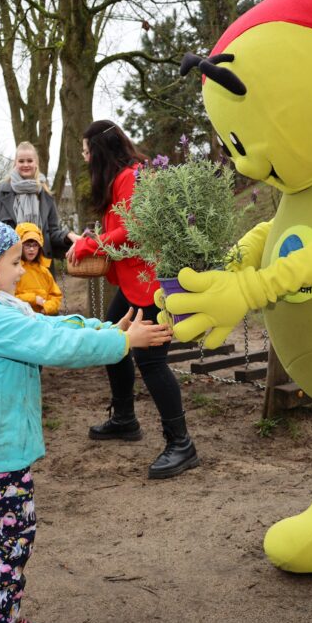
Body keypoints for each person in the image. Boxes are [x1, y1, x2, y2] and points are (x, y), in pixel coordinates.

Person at [0, 218, 172, 623]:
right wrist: (124, 345)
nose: (21, 270)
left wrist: (109, 331)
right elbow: (53, 347)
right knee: (12, 534)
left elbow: (53, 329)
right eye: (12, 262)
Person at [68, 120, 199, 479]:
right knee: (115, 337)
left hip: (152, 282)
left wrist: (88, 244)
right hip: (134, 282)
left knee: (151, 360)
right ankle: (125, 418)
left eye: (85, 151)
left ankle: (181, 443)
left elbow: (133, 232)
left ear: (99, 150)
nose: (84, 157)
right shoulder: (123, 178)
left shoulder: (134, 177)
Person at [0, 141, 71, 262]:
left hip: (40, 265)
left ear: (36, 163)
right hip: (9, 263)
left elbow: (53, 233)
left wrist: (67, 236)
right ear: (15, 163)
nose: (26, 164)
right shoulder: (2, 192)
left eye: (30, 161)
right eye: (21, 161)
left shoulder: (46, 195)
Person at [14, 222, 62, 315]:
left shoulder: (44, 272)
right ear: (19, 246)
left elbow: (56, 296)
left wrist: (47, 308)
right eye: (27, 245)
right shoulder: (14, 271)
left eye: (35, 245)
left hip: (43, 319)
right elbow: (8, 297)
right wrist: (33, 299)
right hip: (20, 319)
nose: (32, 249)